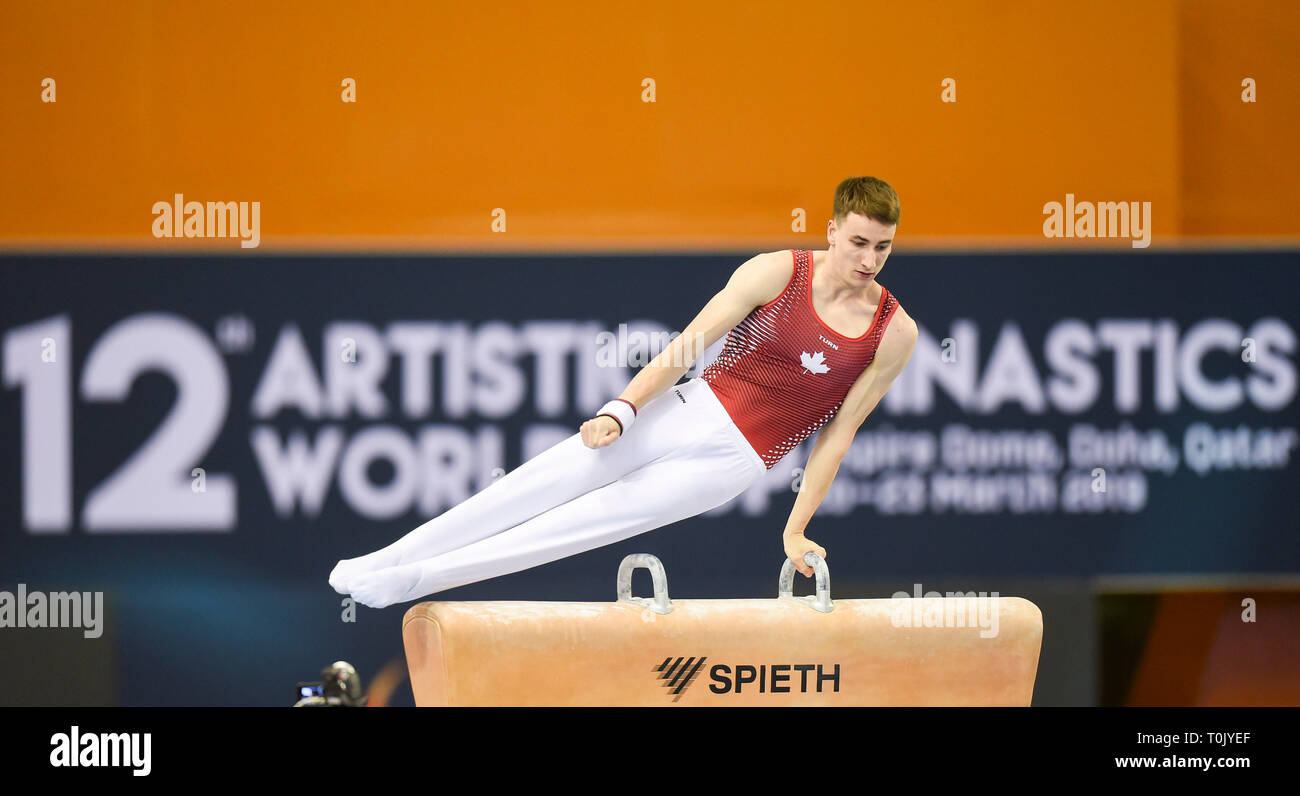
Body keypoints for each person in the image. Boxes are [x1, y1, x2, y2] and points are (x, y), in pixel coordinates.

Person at [330, 176, 919, 608]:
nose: (869, 259)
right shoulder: (777, 271)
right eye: (859, 242)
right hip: (689, 407)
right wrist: (623, 409)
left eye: (883, 247)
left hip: (734, 462)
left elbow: (837, 436)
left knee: (577, 527)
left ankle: (413, 583)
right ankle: (390, 557)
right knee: (537, 484)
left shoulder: (893, 332)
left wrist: (793, 528)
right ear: (832, 228)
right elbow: (687, 347)